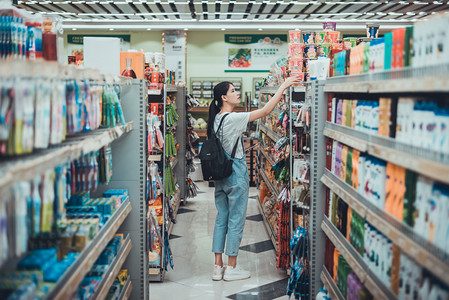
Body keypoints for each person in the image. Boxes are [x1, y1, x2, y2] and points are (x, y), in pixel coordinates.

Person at [207, 76, 301, 281]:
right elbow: (266, 111)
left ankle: (217, 267)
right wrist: (283, 86)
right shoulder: (232, 118)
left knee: (221, 218)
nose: (236, 93)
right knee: (236, 219)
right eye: (233, 91)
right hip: (235, 174)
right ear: (223, 97)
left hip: (220, 176)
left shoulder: (214, 119)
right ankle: (231, 267)